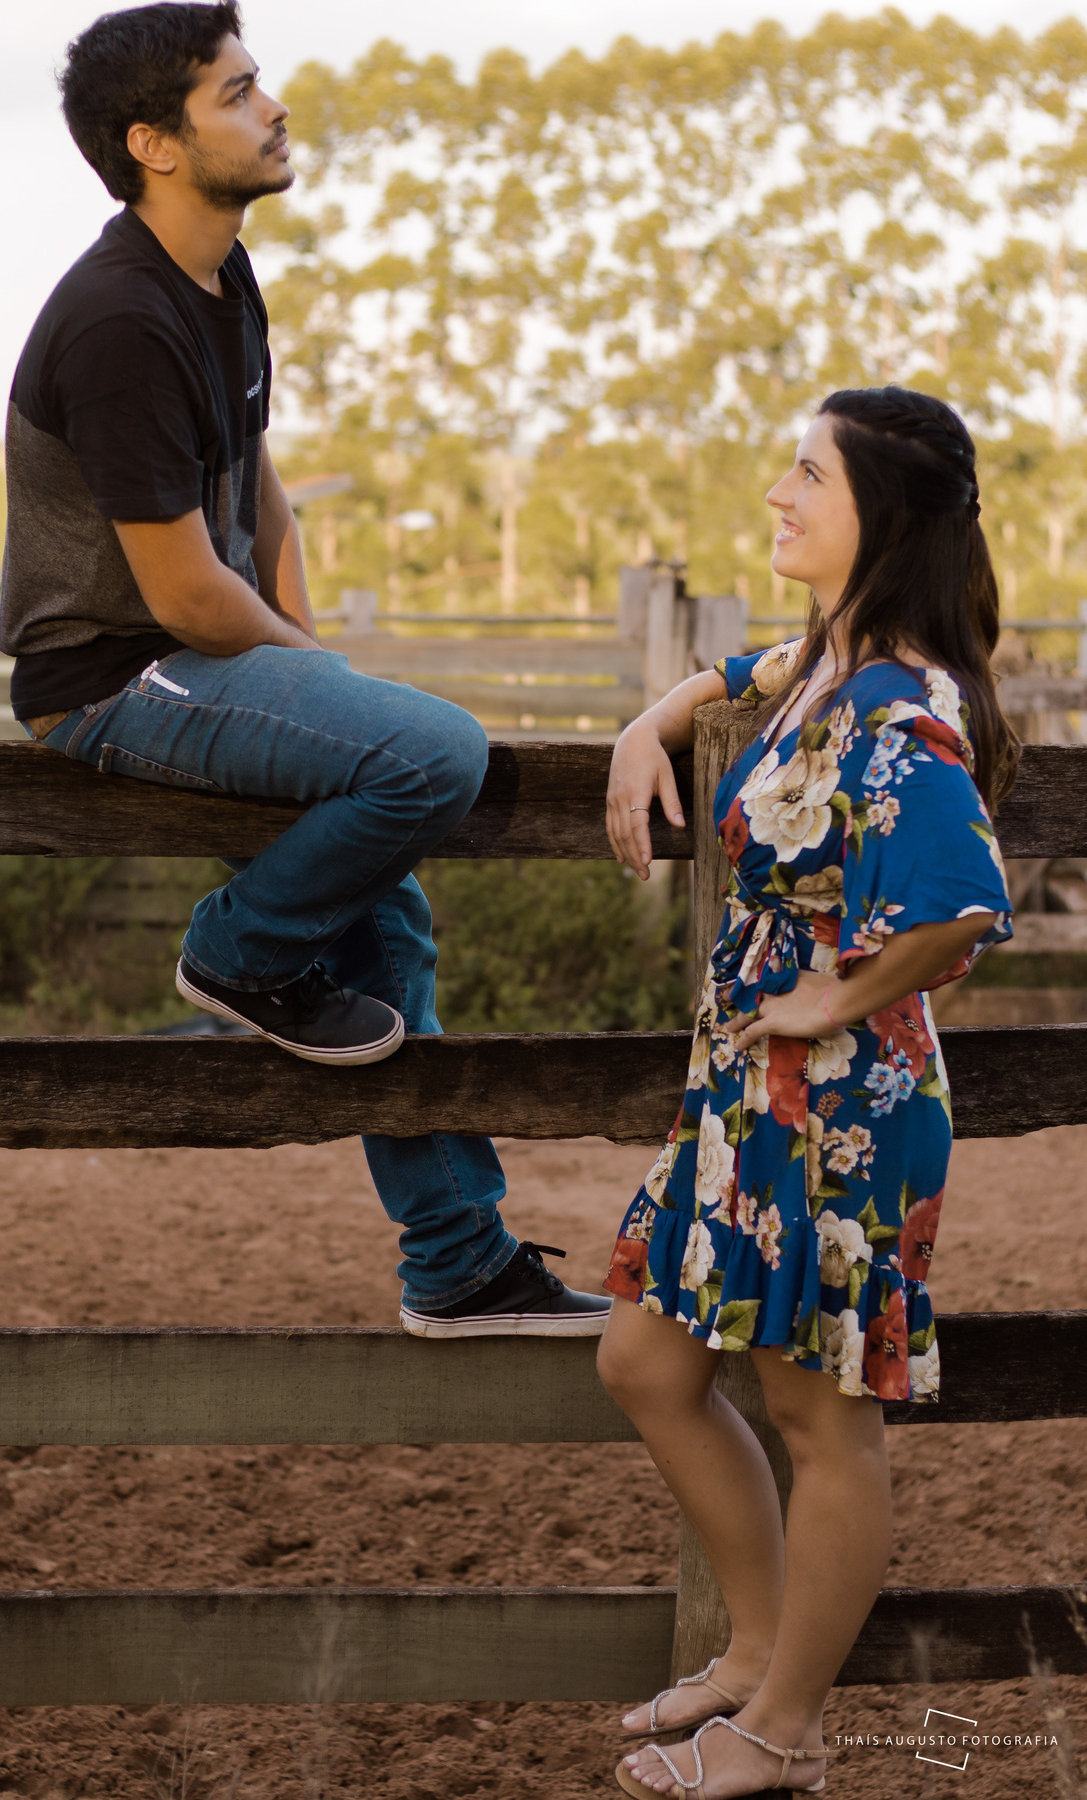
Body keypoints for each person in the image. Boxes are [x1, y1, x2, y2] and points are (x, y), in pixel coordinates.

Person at [0, 1, 609, 1341]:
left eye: (258, 80)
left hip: (200, 657)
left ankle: (458, 1262)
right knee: (435, 753)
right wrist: (329, 685)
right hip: (112, 678)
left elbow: (257, 490)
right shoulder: (115, 322)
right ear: (154, 143)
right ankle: (235, 954)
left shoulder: (222, 279)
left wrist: (317, 667)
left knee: (389, 930)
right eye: (236, 91)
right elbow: (178, 592)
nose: (272, 106)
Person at [596, 386, 1015, 1798]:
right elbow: (758, 670)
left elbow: (962, 904)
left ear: (879, 521)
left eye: (807, 476)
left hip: (838, 1103)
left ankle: (781, 1729)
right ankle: (756, 1652)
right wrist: (653, 718)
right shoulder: (836, 660)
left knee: (821, 1418)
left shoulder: (901, 706)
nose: (776, 493)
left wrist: (837, 993)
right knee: (648, 1362)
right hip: (747, 1090)